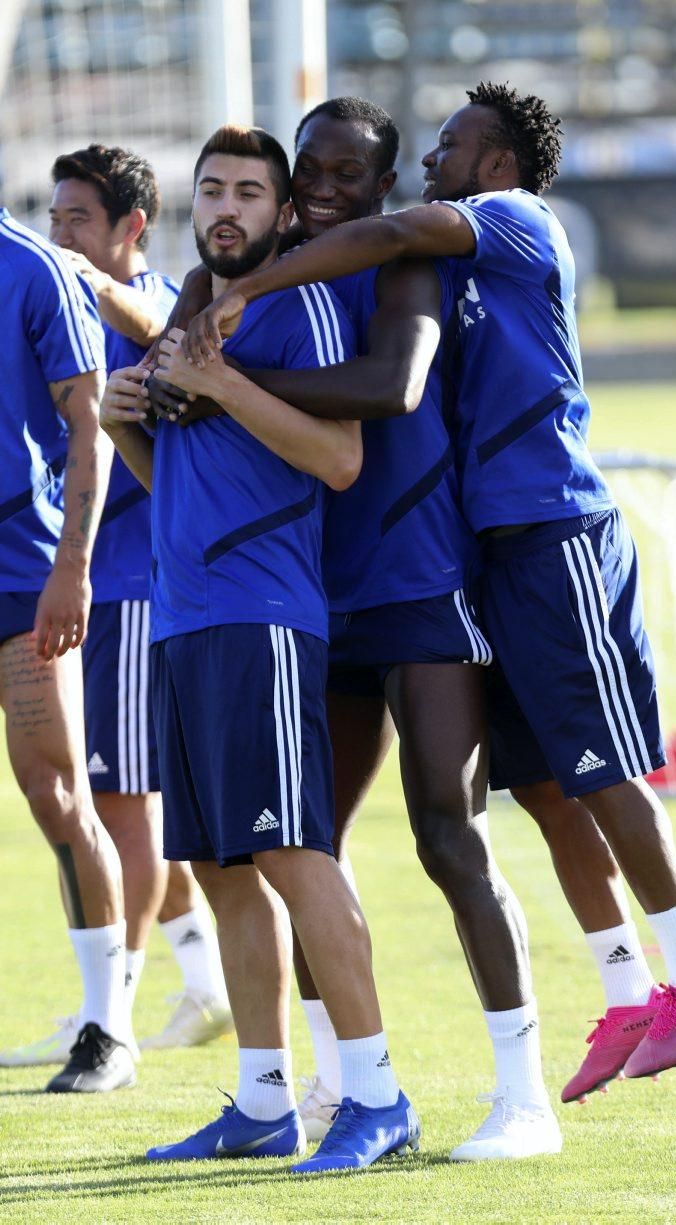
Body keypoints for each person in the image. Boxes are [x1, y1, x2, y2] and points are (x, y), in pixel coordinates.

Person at [182, 84, 676, 1094]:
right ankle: (615, 993)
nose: (318, 189)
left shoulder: (468, 236)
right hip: (382, 584)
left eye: (345, 171)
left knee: (541, 790)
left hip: (515, 545)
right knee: (523, 791)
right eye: (304, 170)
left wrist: (231, 351)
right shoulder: (319, 264)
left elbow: (389, 385)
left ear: (478, 166)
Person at [102, 123, 419, 1174]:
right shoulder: (195, 318)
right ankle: (260, 1099)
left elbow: (337, 458)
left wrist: (223, 381)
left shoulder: (293, 306)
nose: (227, 205)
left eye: (249, 190)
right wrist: (124, 425)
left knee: (291, 850)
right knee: (220, 866)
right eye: (212, 189)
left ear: (283, 214)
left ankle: (376, 1095)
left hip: (265, 619)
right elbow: (180, 488)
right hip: (183, 618)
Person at [47, 143, 232, 1052]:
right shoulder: (58, 304)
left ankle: (103, 1019)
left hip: (127, 585)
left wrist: (75, 272)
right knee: (126, 805)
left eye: (79, 219)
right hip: (80, 581)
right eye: (52, 219)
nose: (60, 237)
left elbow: (154, 323)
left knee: (122, 802)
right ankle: (204, 983)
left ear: (132, 229)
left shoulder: (159, 300)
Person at [0, 205, 135, 1092]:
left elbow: (92, 428)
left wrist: (72, 570)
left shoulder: (34, 269)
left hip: (21, 569)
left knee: (56, 792)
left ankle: (107, 1028)